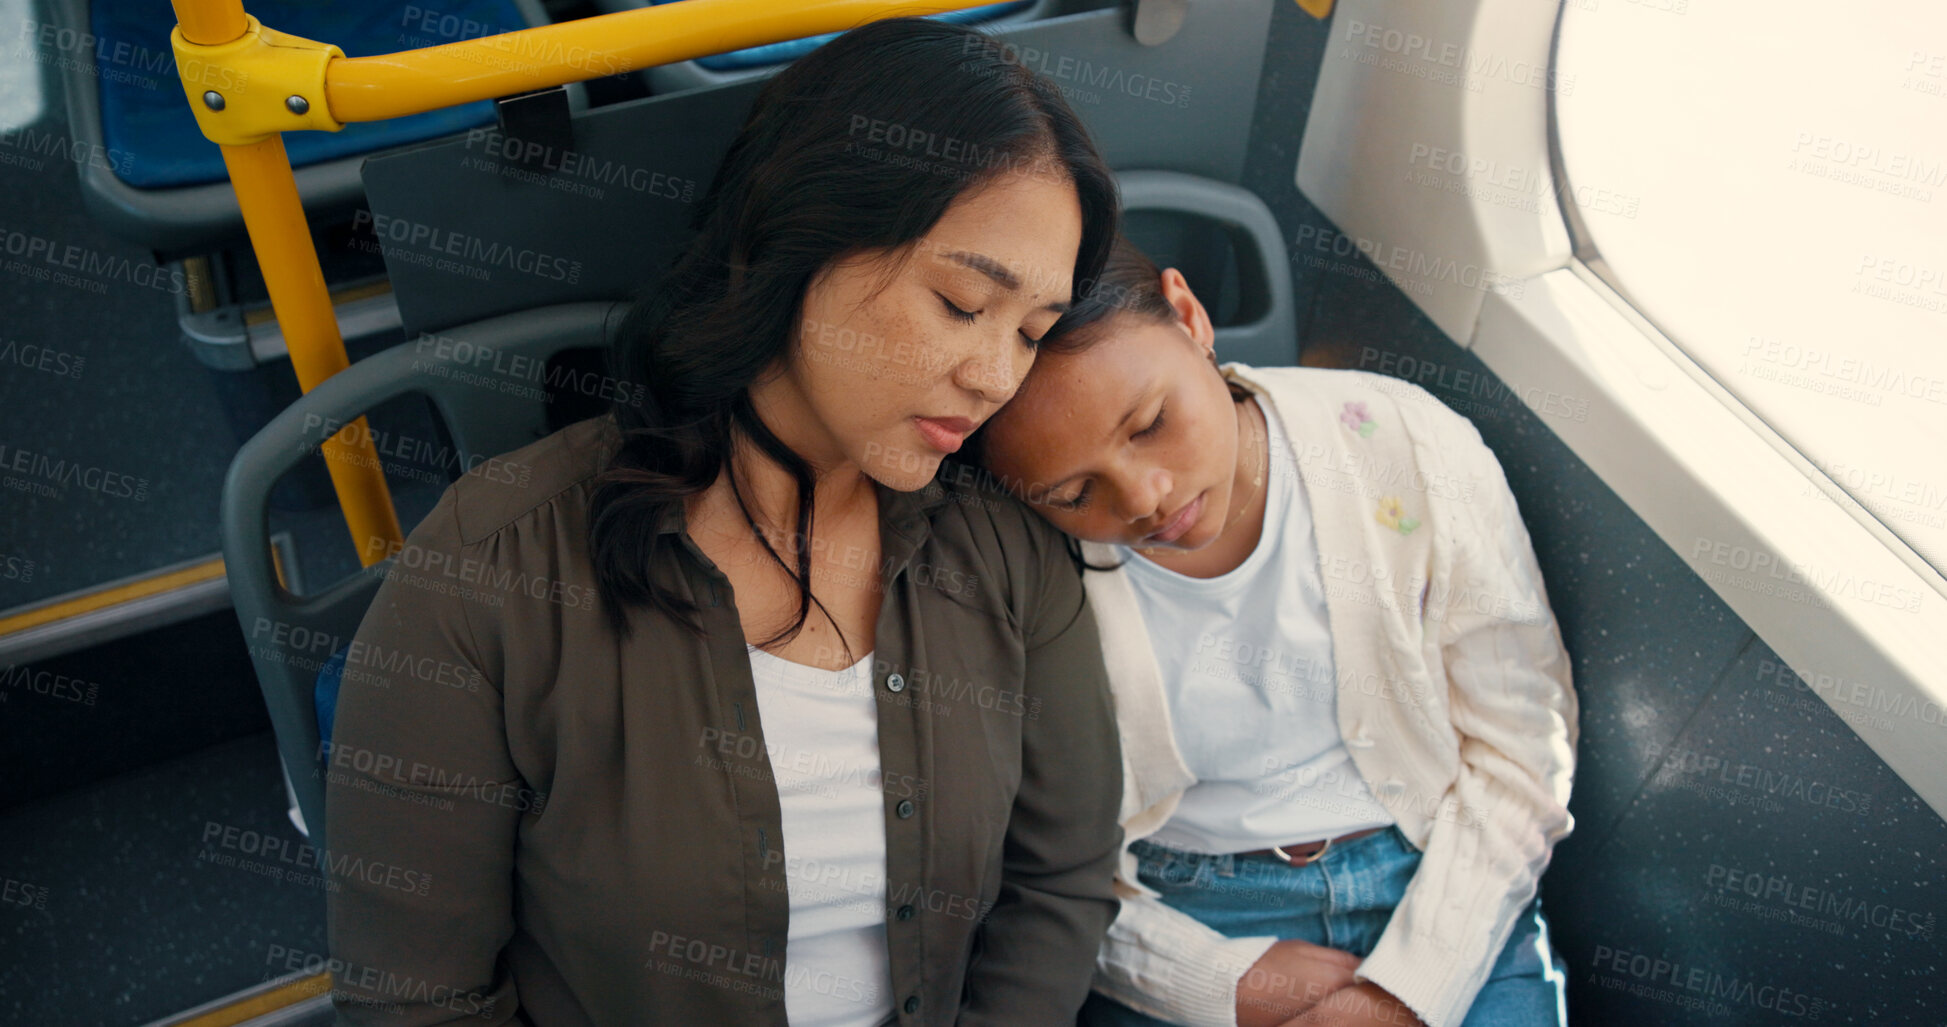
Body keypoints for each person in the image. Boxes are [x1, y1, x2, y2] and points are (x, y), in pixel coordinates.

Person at [323, 19, 1126, 1026]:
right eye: (963, 303)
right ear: (796, 237)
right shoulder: (493, 570)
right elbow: (417, 1002)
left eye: (1032, 334)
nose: (996, 376)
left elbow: (1060, 882)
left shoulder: (1003, 546)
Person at [965, 237, 1578, 1027]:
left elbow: (1525, 748)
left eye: (1151, 422)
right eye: (1074, 492)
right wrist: (1211, 979)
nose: (1146, 499)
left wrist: (1405, 990)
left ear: (1189, 317)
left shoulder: (1405, 444)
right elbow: (1030, 861)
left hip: (1442, 879)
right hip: (1170, 911)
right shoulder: (1020, 565)